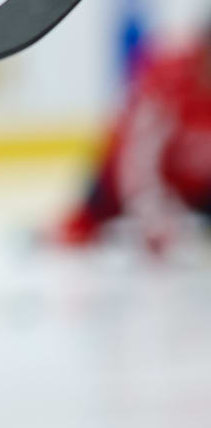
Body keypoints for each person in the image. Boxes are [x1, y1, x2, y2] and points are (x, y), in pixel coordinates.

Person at [51, 21, 211, 255]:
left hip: (194, 191)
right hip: (123, 181)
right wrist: (154, 218)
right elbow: (138, 161)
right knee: (78, 231)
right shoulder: (168, 81)